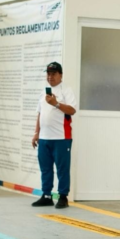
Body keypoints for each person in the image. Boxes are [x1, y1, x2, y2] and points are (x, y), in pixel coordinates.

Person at [31, 62, 77, 210]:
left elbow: (72, 110)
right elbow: (40, 113)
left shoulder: (66, 90)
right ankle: (46, 196)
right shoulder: (43, 91)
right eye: (48, 74)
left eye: (53, 74)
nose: (50, 77)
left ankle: (63, 197)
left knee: (62, 168)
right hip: (44, 138)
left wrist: (56, 103)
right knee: (45, 168)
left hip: (61, 138)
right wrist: (36, 133)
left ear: (60, 75)